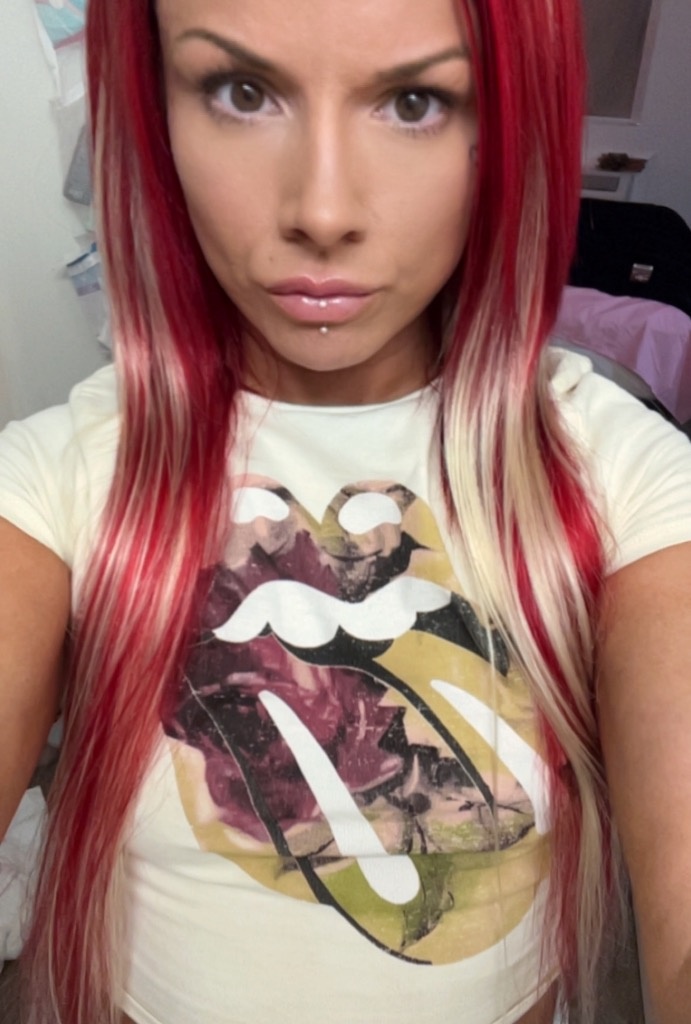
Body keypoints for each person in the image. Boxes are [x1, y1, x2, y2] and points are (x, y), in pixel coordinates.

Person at [1, 0, 691, 1022]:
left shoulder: (621, 479)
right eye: (241, 91)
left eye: (414, 101)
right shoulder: (55, 480)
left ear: (507, 127)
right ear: (154, 107)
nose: (322, 211)